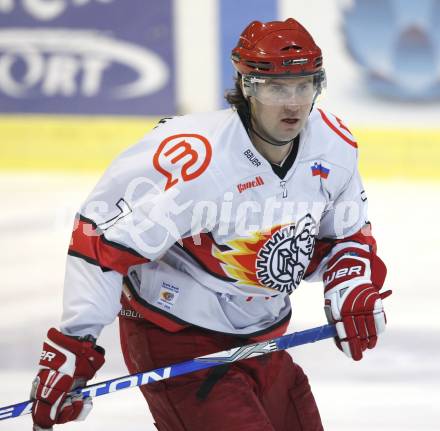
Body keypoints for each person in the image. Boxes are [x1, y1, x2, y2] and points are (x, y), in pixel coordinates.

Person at [30, 18, 391, 431]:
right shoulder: (196, 160)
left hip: (264, 338)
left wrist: (350, 282)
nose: (293, 103)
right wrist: (74, 344)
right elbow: (102, 242)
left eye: (304, 85)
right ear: (246, 87)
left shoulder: (334, 146)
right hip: (178, 340)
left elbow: (346, 235)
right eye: (276, 88)